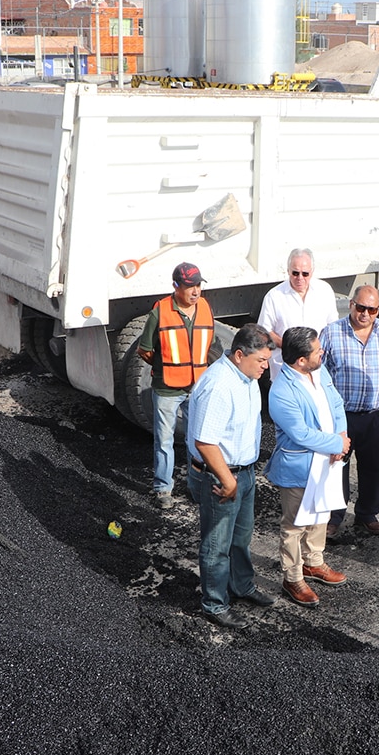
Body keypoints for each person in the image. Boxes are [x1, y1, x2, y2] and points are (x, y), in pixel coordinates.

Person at [186, 323, 277, 630]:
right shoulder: (219, 385)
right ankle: (214, 603)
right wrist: (228, 480)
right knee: (217, 544)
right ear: (239, 355)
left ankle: (242, 586)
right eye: (261, 361)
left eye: (266, 360)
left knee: (241, 537)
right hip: (221, 476)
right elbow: (205, 442)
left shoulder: (246, 377)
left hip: (244, 472)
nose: (265, 367)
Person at [265, 327, 351, 608]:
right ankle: (292, 577)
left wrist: (341, 437)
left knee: (321, 513)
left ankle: (314, 562)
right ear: (301, 360)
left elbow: (336, 404)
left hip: (327, 460)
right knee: (295, 525)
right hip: (300, 468)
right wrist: (335, 444)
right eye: (317, 350)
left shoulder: (320, 371)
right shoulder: (281, 391)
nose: (322, 352)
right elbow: (300, 433)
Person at [319, 286, 379, 537]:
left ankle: (367, 514)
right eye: (361, 307)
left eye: (372, 309)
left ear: (378, 309)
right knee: (337, 467)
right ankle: (334, 516)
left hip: (375, 414)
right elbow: (318, 373)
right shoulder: (331, 332)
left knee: (371, 467)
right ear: (351, 304)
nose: (365, 314)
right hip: (341, 415)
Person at [137, 262, 222, 509]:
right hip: (167, 388)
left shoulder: (204, 308)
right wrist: (164, 368)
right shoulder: (159, 312)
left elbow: (211, 343)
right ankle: (163, 489)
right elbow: (145, 349)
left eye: (198, 285)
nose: (195, 291)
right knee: (164, 440)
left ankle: (196, 487)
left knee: (196, 440)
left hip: (196, 386)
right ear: (176, 287)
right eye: (189, 286)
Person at [258, 247, 338, 380]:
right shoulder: (274, 296)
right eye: (295, 273)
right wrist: (290, 347)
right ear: (288, 271)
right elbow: (263, 331)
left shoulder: (325, 291)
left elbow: (332, 328)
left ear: (312, 272)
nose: (300, 278)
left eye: (305, 274)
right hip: (285, 373)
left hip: (318, 373)